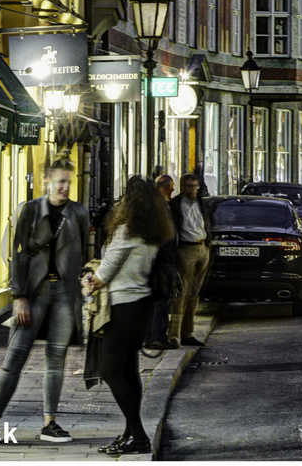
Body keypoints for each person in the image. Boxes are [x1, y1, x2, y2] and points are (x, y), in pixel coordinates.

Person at [0, 160, 91, 443]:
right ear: (47, 181)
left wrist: (86, 277)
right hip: (34, 294)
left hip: (65, 295)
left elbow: (81, 251)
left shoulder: (79, 212)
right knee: (15, 357)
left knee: (56, 358)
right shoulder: (29, 210)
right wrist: (18, 296)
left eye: (69, 181)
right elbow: (16, 255)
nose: (65, 187)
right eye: (60, 181)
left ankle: (50, 423)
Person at [86, 175, 173, 456]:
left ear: (130, 201)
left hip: (121, 307)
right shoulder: (152, 232)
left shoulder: (126, 232)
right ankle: (129, 433)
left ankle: (138, 435)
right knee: (128, 370)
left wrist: (89, 277)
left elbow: (103, 274)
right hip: (140, 307)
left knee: (110, 371)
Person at [167, 174, 213, 347]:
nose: (192, 189)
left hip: (202, 248)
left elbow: (207, 223)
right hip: (185, 250)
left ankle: (188, 334)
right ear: (182, 187)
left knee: (194, 294)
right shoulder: (175, 205)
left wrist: (208, 244)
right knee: (182, 293)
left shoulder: (202, 203)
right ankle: (173, 335)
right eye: (189, 185)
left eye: (195, 186)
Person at [144, 175, 178, 350]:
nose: (173, 190)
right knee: (161, 298)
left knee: (156, 299)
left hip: (160, 258)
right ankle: (156, 337)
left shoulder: (159, 205)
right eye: (171, 187)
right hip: (160, 259)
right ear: (163, 188)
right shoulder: (157, 207)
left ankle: (151, 336)